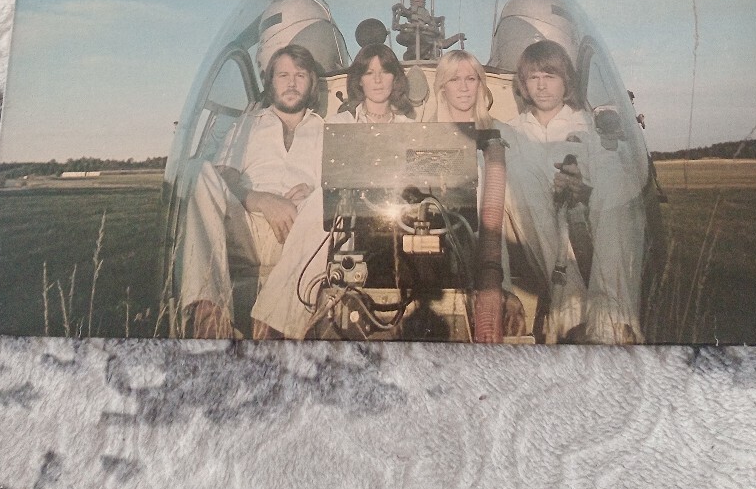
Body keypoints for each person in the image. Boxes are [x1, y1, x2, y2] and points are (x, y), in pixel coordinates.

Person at [250, 43, 413, 338]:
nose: (377, 80)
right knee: (326, 204)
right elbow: (323, 179)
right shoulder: (338, 125)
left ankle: (275, 320)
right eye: (369, 72)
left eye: (385, 71)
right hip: (349, 218)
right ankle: (278, 321)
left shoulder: (410, 127)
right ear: (359, 81)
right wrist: (312, 188)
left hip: (392, 220)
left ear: (395, 78)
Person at [180, 44, 324, 339]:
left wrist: (313, 191)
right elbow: (224, 176)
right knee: (201, 172)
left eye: (300, 75)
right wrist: (260, 200)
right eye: (283, 75)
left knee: (326, 198)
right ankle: (209, 319)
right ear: (270, 82)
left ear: (311, 83)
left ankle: (272, 327)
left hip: (298, 234)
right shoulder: (247, 124)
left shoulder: (325, 129)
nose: (292, 83)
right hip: (245, 228)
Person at [508, 39, 644, 343]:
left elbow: (611, 185)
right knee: (524, 179)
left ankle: (610, 313)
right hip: (536, 231)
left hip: (586, 229)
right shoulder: (513, 131)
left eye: (550, 76)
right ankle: (570, 303)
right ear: (524, 84)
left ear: (565, 80)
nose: (542, 86)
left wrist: (581, 188)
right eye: (533, 78)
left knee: (613, 179)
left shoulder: (588, 127)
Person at [432, 49, 524, 342]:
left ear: (480, 85)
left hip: (493, 249)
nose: (463, 87)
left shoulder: (502, 133)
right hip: (441, 248)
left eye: (471, 79)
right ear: (442, 87)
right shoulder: (426, 136)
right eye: (454, 79)